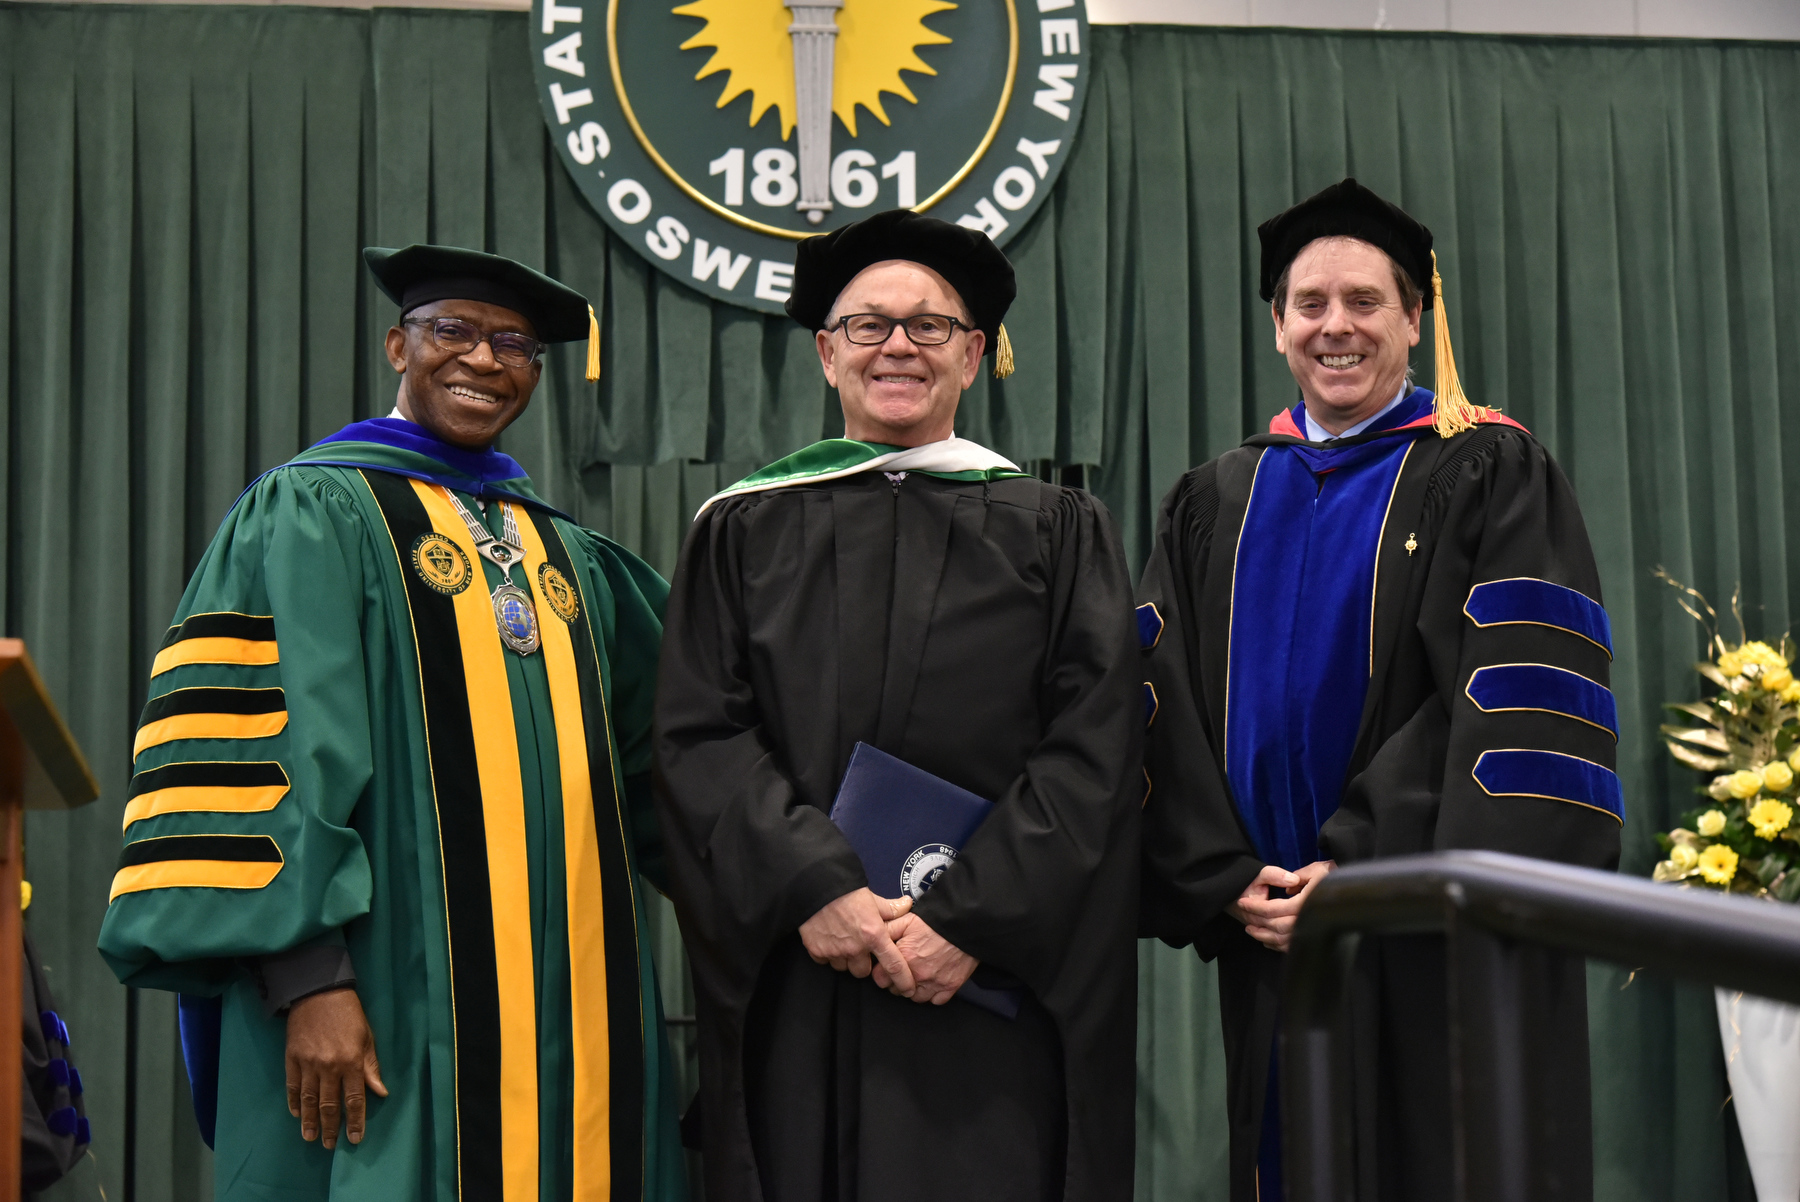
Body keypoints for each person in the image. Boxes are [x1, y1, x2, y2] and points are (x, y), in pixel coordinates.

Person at [97, 244, 685, 1201]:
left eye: (515, 345)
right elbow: (255, 748)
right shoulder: (313, 512)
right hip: (375, 1000)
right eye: (453, 331)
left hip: (577, 1012)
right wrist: (309, 982)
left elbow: (671, 774)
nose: (485, 361)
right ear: (395, 346)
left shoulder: (572, 560)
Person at [1136, 179, 1623, 1202]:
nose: (1336, 326)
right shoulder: (1215, 496)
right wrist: (1222, 872)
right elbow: (1156, 699)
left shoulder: (1488, 468)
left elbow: (1509, 702)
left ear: (1415, 316)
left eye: (1365, 300)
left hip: (1433, 932)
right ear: (1277, 326)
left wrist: (1360, 864)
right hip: (1271, 930)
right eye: (1310, 304)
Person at [654, 209, 1142, 1202]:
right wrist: (814, 886)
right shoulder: (742, 528)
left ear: (974, 355)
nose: (898, 347)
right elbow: (700, 730)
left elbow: (1094, 743)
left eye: (930, 327)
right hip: (804, 964)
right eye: (869, 325)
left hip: (984, 984)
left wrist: (969, 918)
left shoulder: (1058, 527)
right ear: (828, 352)